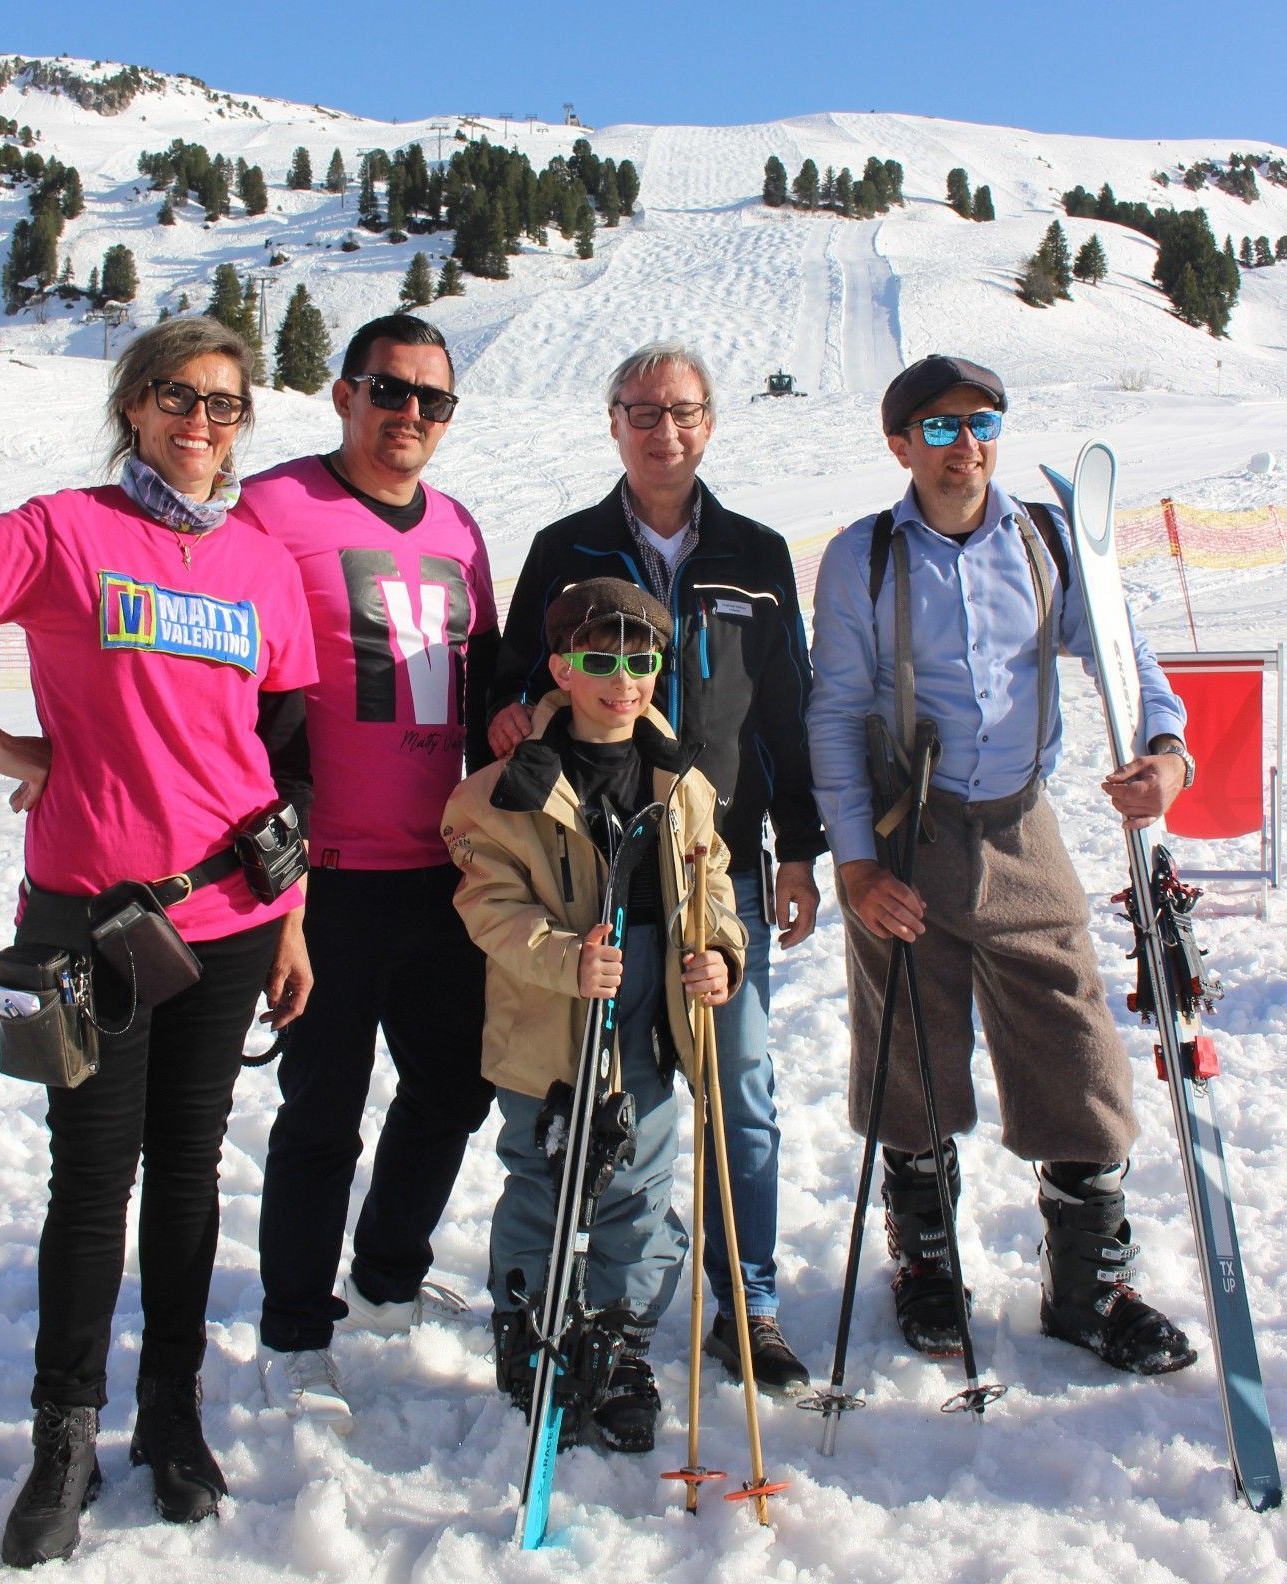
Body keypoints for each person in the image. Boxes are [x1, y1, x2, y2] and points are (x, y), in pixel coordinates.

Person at [0, 317, 319, 1566]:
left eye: (224, 406)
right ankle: (65, 1434)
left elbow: (286, 762)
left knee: (188, 1175)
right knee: (89, 1180)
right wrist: (0, 745)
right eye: (176, 398)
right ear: (134, 406)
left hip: (231, 918)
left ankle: (172, 1412)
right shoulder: (62, 531)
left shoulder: (265, 565)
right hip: (87, 920)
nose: (200, 424)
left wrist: (295, 919)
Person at [808, 353, 1197, 1375]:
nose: (963, 445)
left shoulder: (1044, 542)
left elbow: (1124, 653)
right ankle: (927, 1265)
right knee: (908, 1056)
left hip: (1023, 827)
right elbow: (837, 712)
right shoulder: (864, 559)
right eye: (937, 428)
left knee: (1074, 1045)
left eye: (980, 423)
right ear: (901, 445)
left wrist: (1168, 753)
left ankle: (1085, 1286)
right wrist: (853, 865)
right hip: (906, 830)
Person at [488, 342, 825, 1393]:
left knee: (742, 1091)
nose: (662, 430)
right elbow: (510, 693)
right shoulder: (565, 545)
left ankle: (749, 1302)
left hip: (710, 876)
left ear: (710, 423)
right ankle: (560, 1306)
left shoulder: (756, 555)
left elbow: (787, 715)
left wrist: (801, 848)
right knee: (587, 1099)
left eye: (681, 411)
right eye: (641, 410)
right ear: (614, 422)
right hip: (588, 879)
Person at [236, 314, 498, 1419]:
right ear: (345, 393)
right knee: (323, 1109)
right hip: (325, 875)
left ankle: (388, 1273)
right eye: (391, 392)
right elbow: (220, 671)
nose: (410, 416)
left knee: (454, 1088)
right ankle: (295, 1328)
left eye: (432, 401)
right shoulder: (275, 508)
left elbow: (482, 680)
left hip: (442, 871)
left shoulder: (460, 528)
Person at [444, 577, 746, 1451]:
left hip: (650, 1011)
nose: (623, 681)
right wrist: (561, 958)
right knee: (550, 1178)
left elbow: (712, 872)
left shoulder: (680, 777)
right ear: (561, 671)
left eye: (640, 660)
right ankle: (533, 1329)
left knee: (640, 1190)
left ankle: (615, 1339)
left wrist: (719, 949)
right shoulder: (506, 791)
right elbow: (489, 903)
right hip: (553, 1018)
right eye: (599, 661)